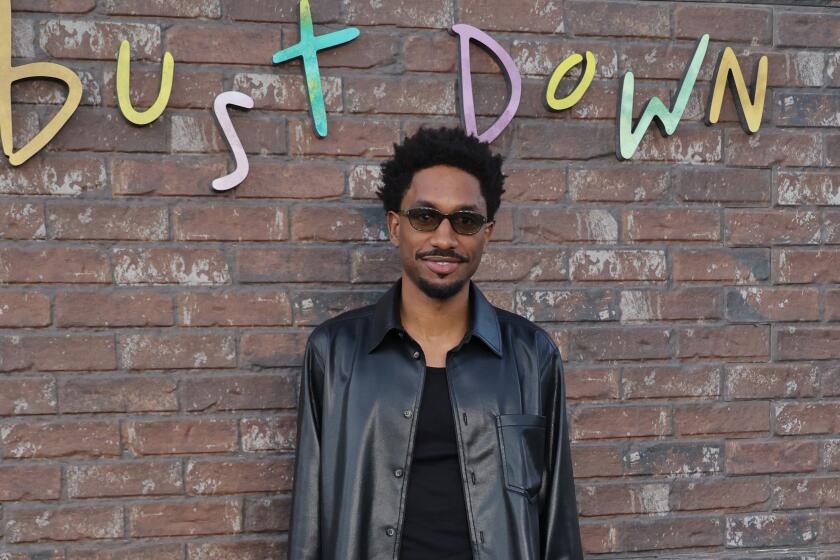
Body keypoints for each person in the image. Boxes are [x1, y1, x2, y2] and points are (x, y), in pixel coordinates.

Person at [286, 126, 583, 560]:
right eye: (425, 217)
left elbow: (557, 516)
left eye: (465, 221)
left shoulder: (531, 354)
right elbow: (309, 519)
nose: (444, 239)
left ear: (487, 232)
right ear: (394, 226)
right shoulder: (334, 353)